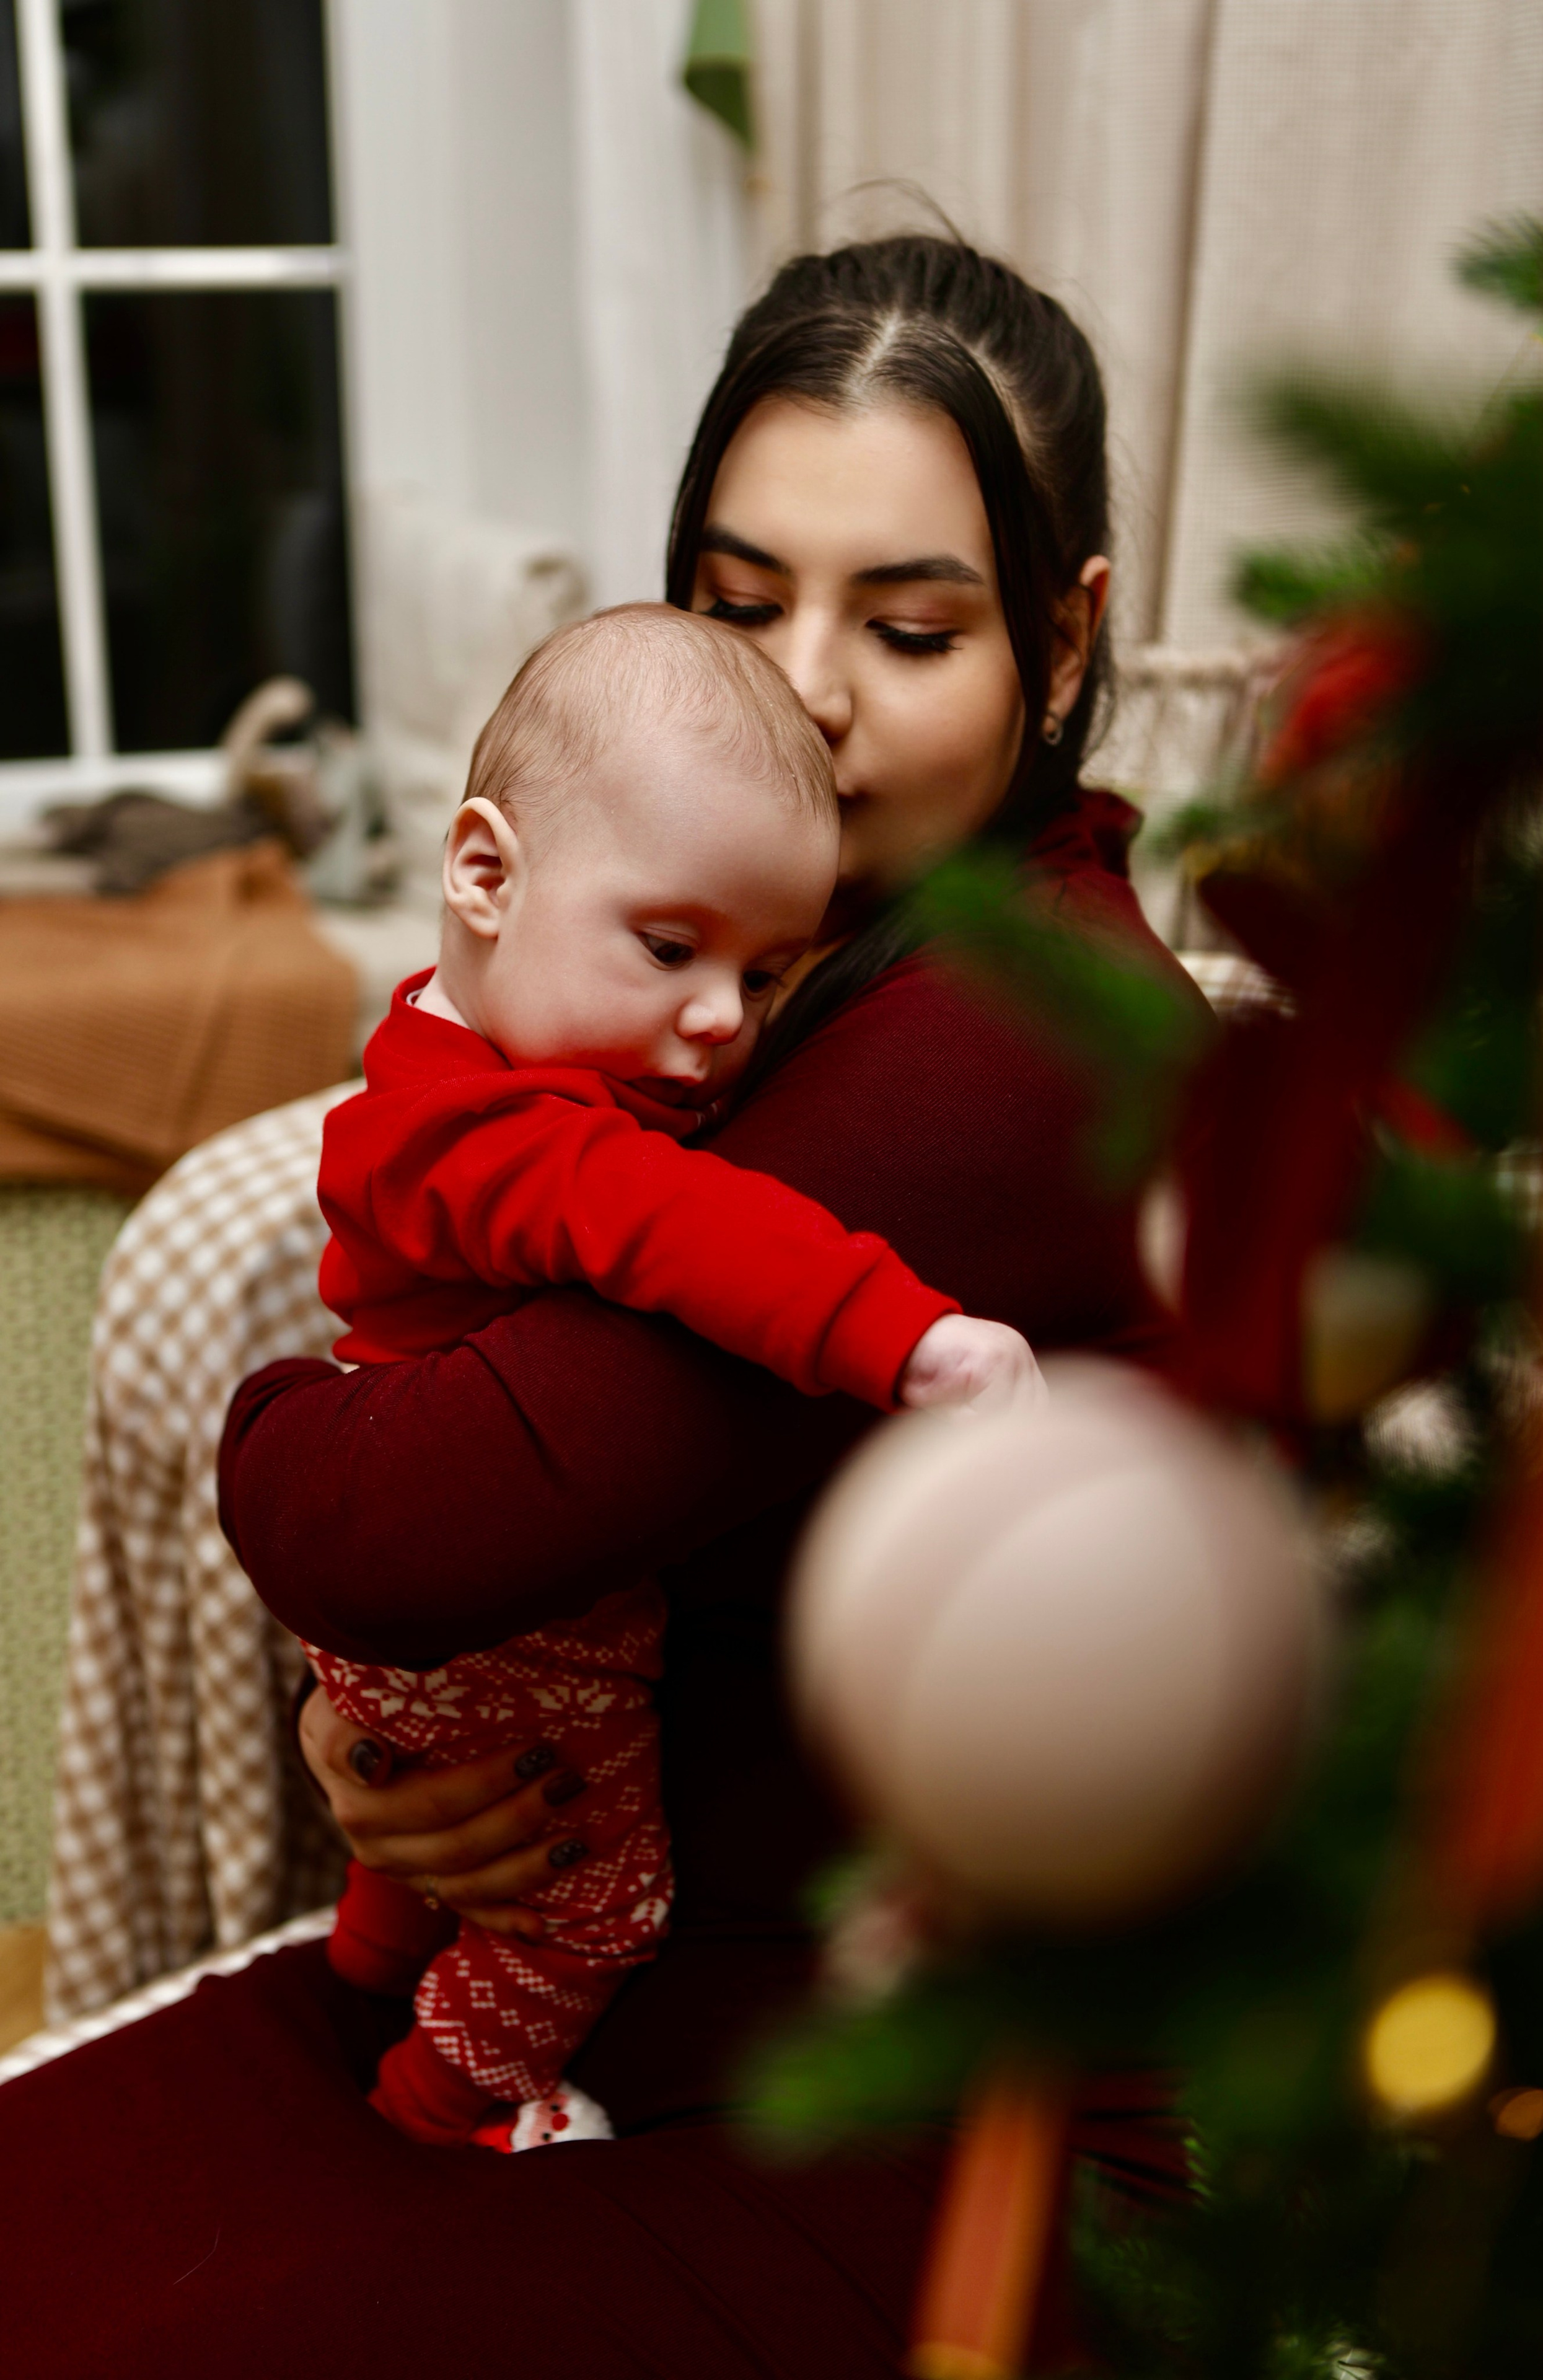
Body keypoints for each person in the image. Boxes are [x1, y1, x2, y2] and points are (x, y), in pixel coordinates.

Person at [0, 236, 1198, 2377]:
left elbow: (389, 1515)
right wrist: (381, 1738)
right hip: (589, 1989)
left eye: (910, 625)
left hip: (914, 2144)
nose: (807, 690)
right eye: (740, 605)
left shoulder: (1028, 1034)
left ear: (1064, 633)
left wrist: (287, 1439)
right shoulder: (777, 974)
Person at [312, 601, 1039, 2152]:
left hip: (415, 1619)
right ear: (485, 874)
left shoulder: (436, 1063)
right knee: (593, 1912)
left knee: (429, 1817)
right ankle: (449, 2101)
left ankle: (364, 1964)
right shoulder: (496, 1135)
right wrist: (906, 1336)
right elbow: (673, 1229)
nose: (719, 1024)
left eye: (768, 975)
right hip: (506, 1622)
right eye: (668, 949)